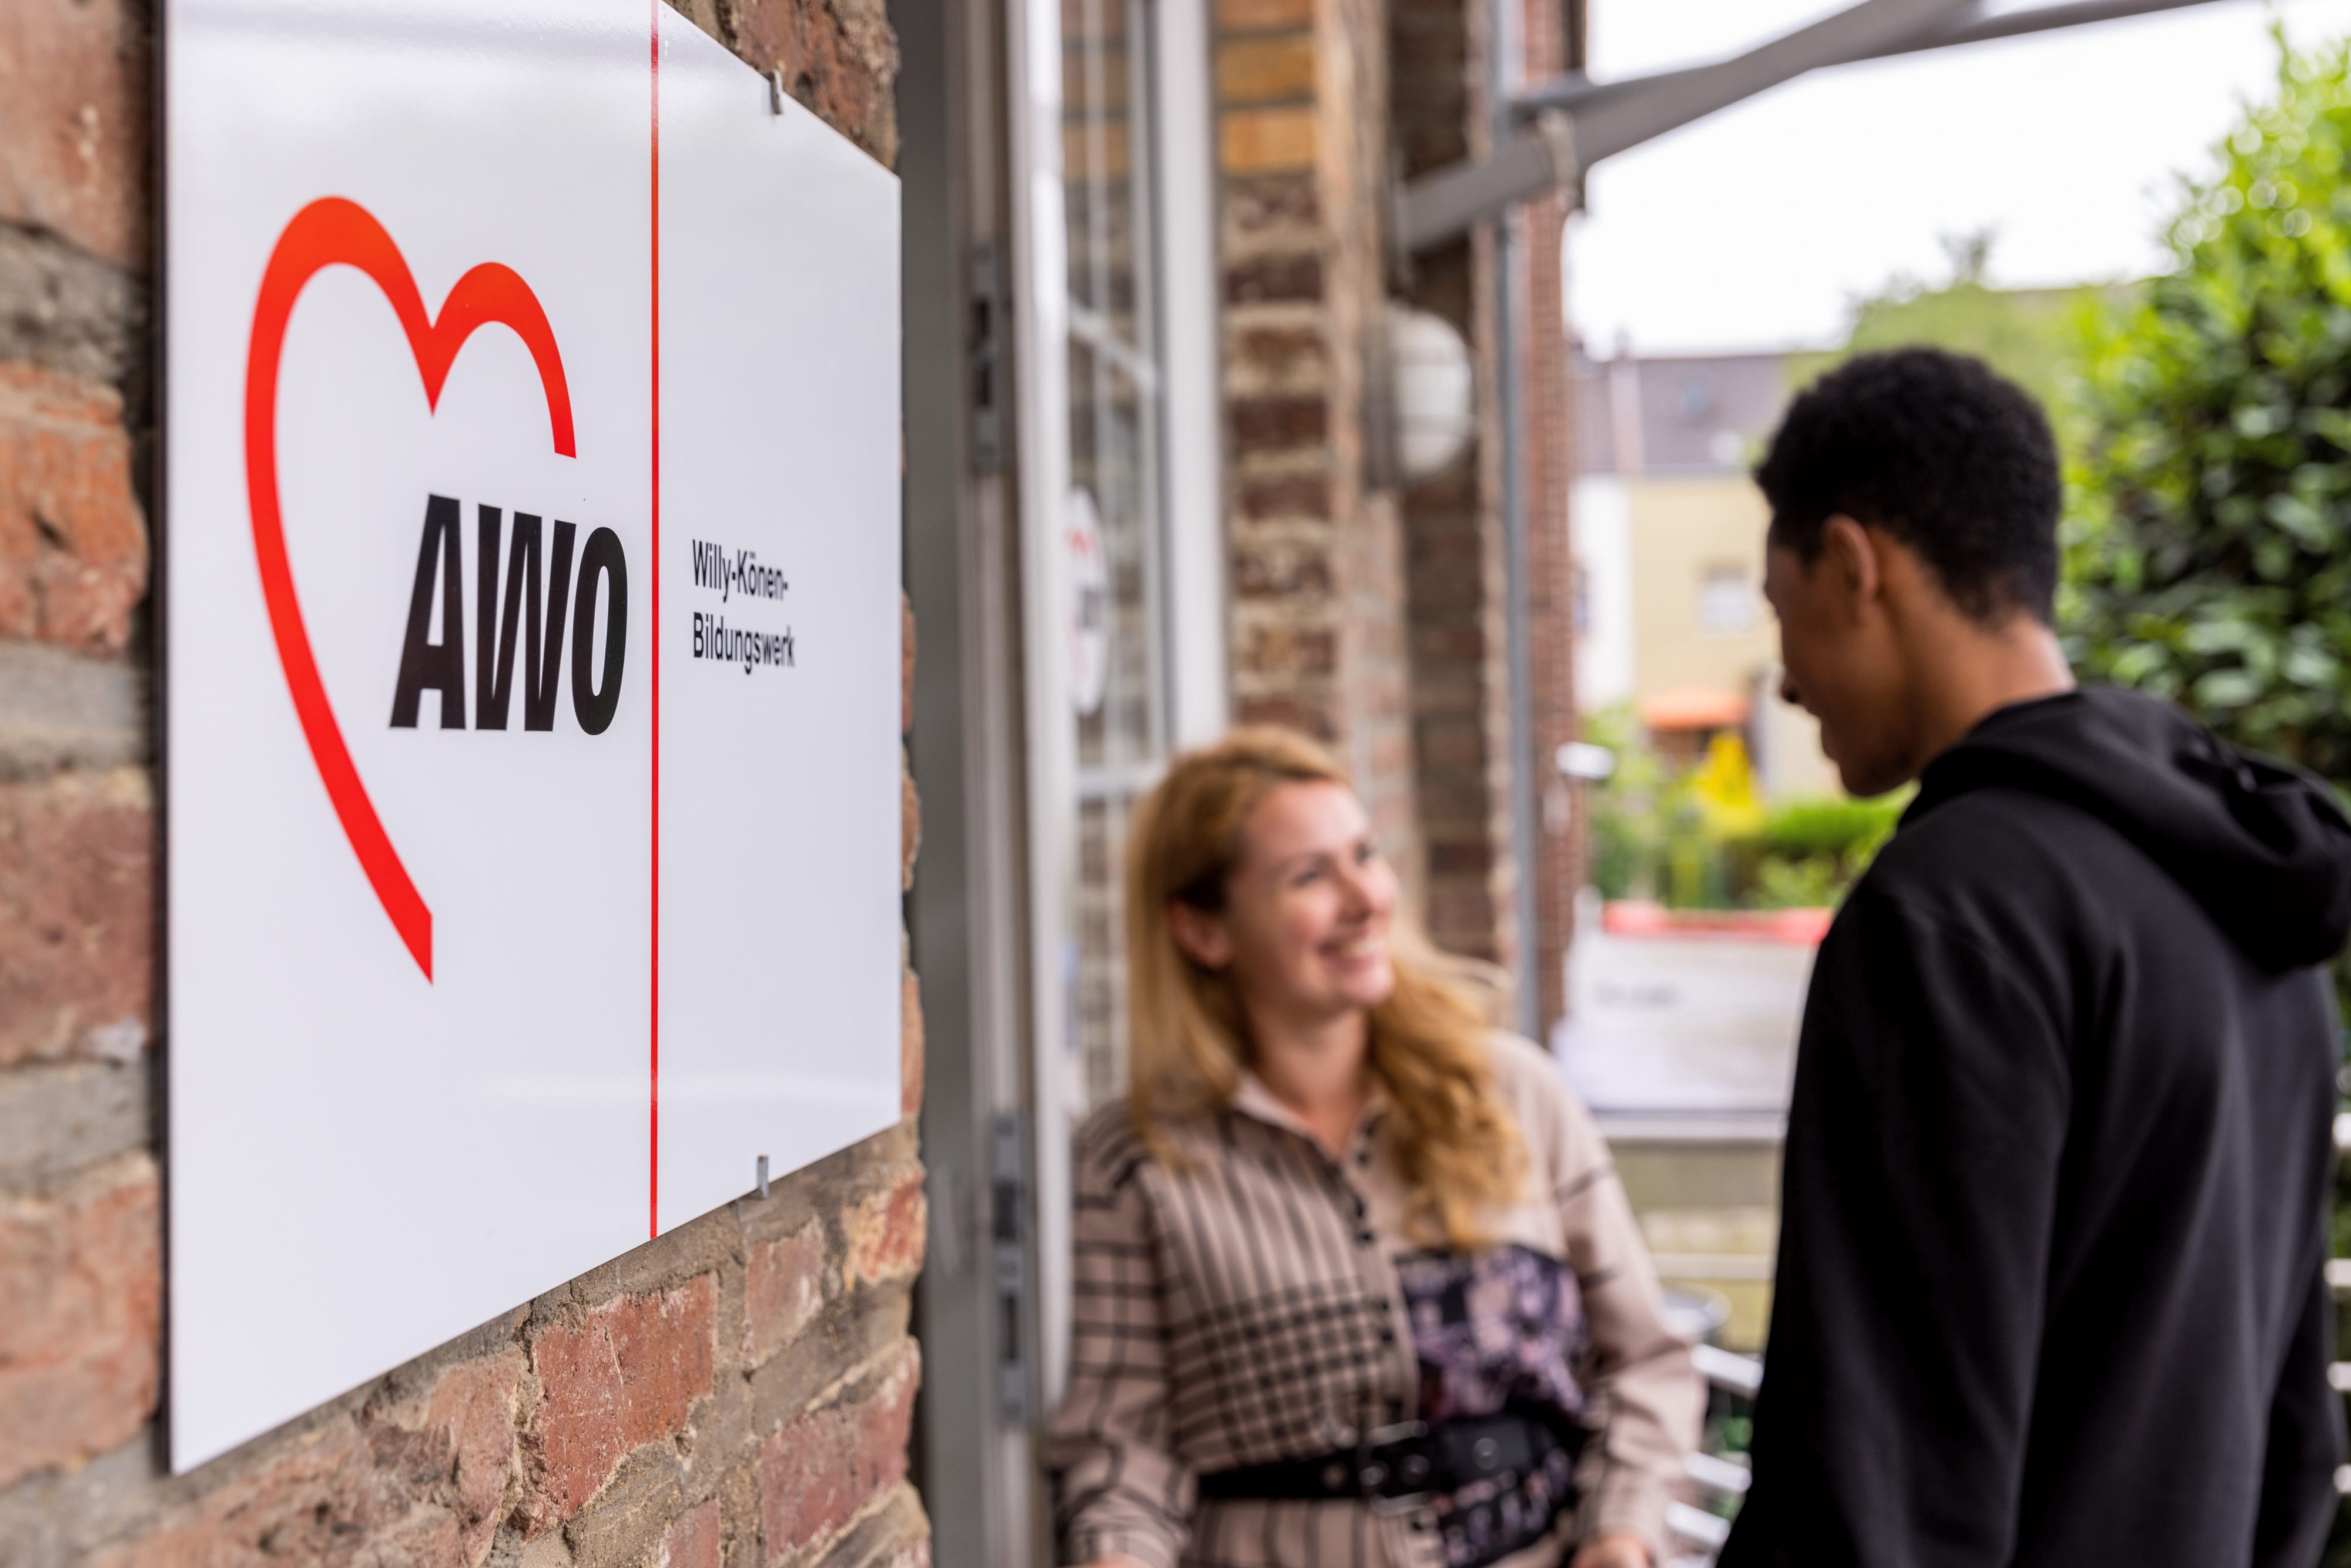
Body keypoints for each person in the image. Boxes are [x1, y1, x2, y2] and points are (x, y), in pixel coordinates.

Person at [1719, 347, 2351, 1568]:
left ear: (1853, 564)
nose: (1785, 677)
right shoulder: (2248, 891)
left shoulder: (1949, 915)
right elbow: (2289, 1437)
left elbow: (1879, 1486)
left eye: (1774, 604)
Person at [1046, 729, 1703, 1568]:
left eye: (1366, 855)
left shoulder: (1513, 1095)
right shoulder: (1131, 1164)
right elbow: (1122, 1454)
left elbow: (1645, 1359)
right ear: (1204, 931)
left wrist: (1620, 1538)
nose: (1366, 898)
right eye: (1311, 875)